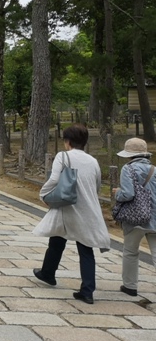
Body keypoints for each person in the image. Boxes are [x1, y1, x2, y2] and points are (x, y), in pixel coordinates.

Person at [32, 124, 110, 305]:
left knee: (58, 237)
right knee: (85, 248)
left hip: (67, 205)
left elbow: (54, 178)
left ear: (67, 141)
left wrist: (43, 194)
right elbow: (97, 185)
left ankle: (48, 273)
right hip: (87, 207)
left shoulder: (63, 156)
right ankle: (87, 290)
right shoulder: (93, 161)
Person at [112, 138, 155, 297]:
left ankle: (130, 286)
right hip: (154, 217)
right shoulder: (154, 169)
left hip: (135, 217)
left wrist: (118, 193)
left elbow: (129, 194)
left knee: (130, 251)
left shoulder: (127, 169)